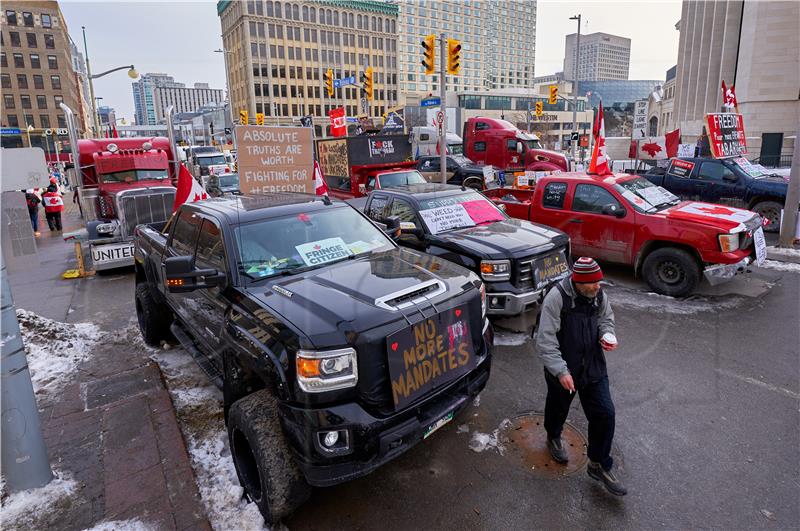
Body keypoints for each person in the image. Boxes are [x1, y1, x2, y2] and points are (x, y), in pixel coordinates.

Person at [535, 257, 627, 496]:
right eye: (593, 283)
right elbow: (545, 340)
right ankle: (553, 435)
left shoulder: (598, 295)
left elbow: (606, 318)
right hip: (564, 368)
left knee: (605, 414)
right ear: (578, 282)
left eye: (599, 281)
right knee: (558, 408)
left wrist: (607, 334)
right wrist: (561, 371)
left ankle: (598, 463)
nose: (599, 286)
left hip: (593, 367)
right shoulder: (557, 299)